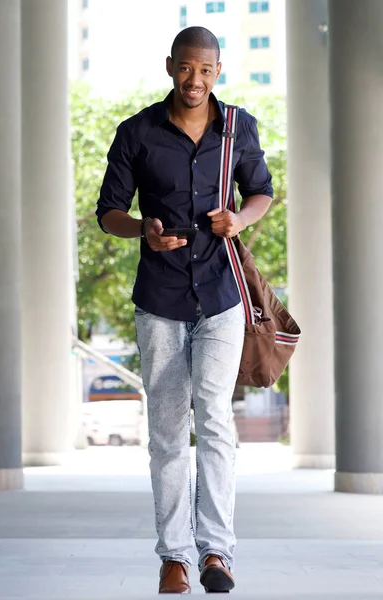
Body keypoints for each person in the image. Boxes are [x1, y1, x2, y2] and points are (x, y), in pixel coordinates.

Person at [96, 26, 273, 595]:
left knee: (215, 419)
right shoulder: (138, 133)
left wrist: (239, 221)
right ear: (170, 65)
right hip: (160, 300)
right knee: (169, 430)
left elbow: (262, 191)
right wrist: (141, 230)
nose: (194, 80)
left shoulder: (238, 127)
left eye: (205, 70)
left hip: (220, 296)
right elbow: (108, 212)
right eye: (185, 68)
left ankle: (216, 552)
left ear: (217, 70)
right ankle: (174, 556)